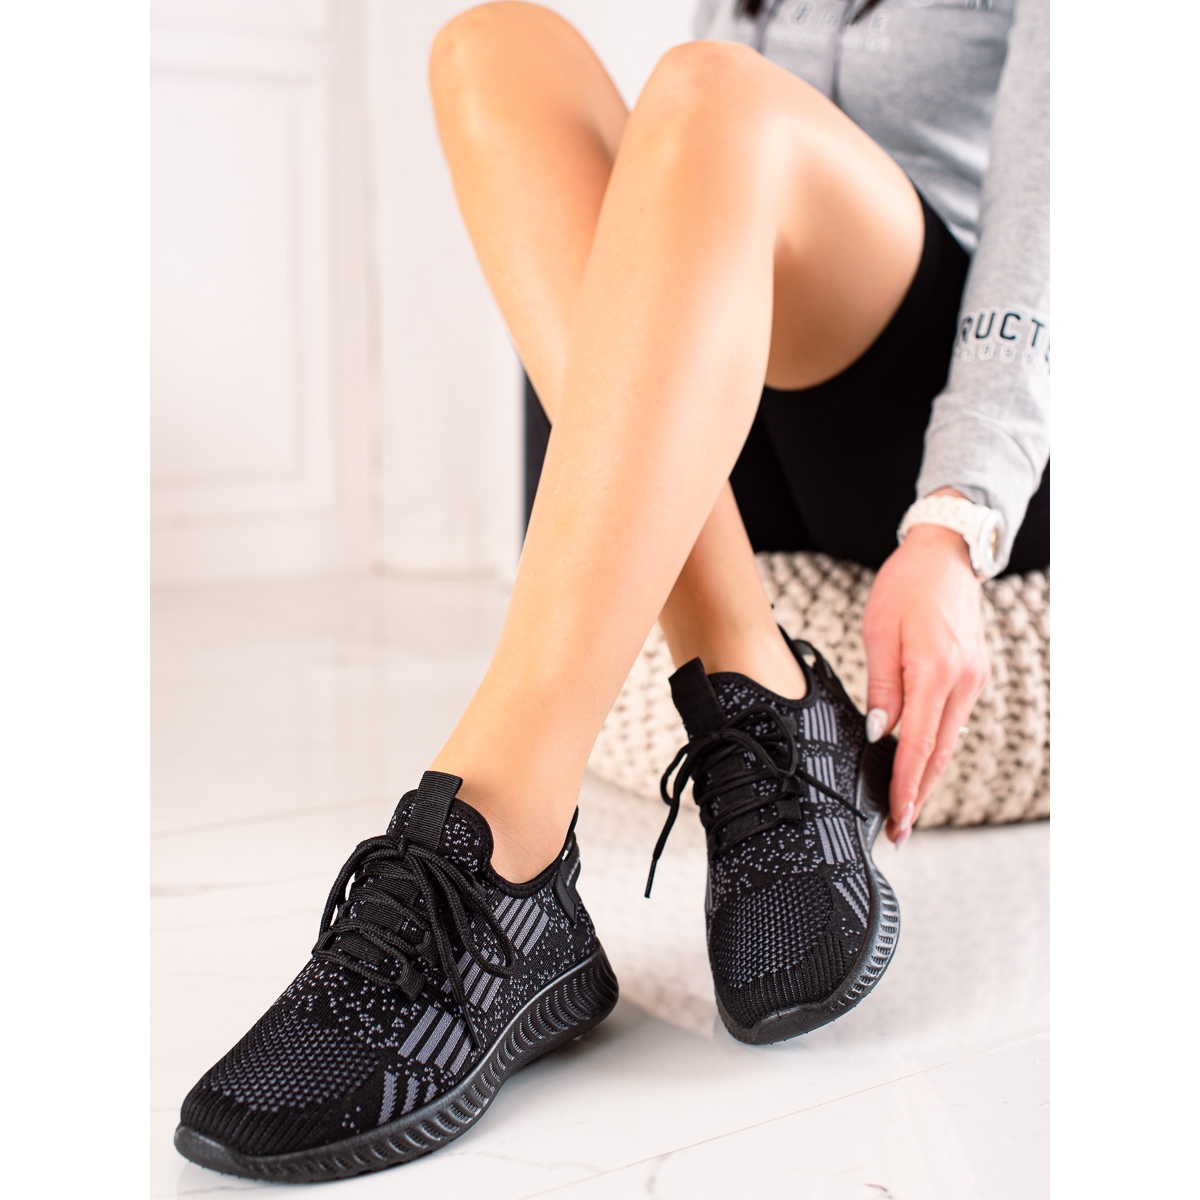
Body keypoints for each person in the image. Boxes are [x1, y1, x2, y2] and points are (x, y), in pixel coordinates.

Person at [174, 0, 1049, 1180]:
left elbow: (1061, 211)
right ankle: (756, 685)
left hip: (947, 405)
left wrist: (958, 515)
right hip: (738, 392)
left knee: (711, 91)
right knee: (495, 49)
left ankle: (501, 836)